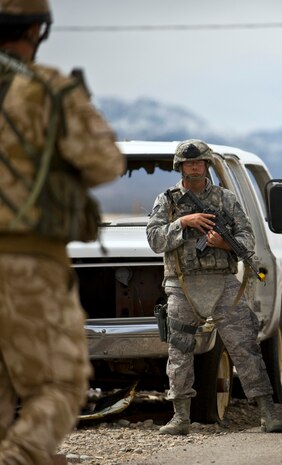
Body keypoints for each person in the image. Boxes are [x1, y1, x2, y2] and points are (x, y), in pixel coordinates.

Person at [0, 0, 125, 464]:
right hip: (27, 264)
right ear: (37, 29)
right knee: (58, 381)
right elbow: (104, 162)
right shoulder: (47, 89)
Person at [146, 139, 282, 435]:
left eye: (198, 163)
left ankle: (267, 413)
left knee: (245, 347)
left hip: (223, 283)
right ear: (180, 167)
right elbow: (156, 240)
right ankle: (181, 417)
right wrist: (184, 223)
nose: (194, 168)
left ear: (207, 165)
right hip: (182, 284)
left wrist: (224, 244)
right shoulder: (167, 200)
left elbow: (247, 238)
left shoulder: (225, 199)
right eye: (188, 164)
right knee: (179, 350)